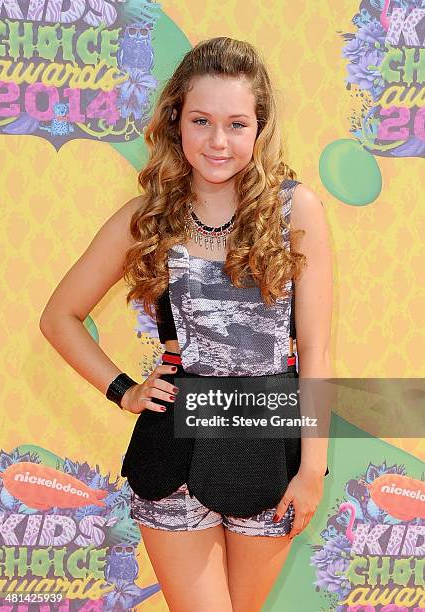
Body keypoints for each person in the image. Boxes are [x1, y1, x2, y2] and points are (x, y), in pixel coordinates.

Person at [40, 37, 333, 612]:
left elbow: (317, 351)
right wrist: (124, 390)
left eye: (236, 123)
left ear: (259, 128)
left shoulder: (297, 212)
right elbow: (59, 317)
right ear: (176, 122)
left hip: (268, 447)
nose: (218, 141)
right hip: (170, 450)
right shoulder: (148, 218)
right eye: (201, 121)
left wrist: (313, 470)